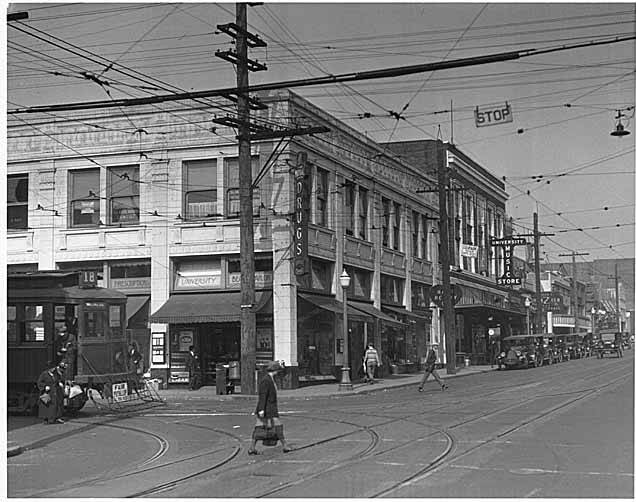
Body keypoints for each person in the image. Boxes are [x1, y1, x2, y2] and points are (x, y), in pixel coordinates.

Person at [248, 361, 292, 455]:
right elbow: (263, 396)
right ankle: (285, 446)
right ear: (275, 370)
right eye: (278, 370)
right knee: (277, 426)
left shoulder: (270, 379)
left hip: (270, 408)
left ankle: (252, 448)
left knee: (259, 427)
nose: (279, 372)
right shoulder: (266, 380)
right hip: (267, 409)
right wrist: (261, 409)